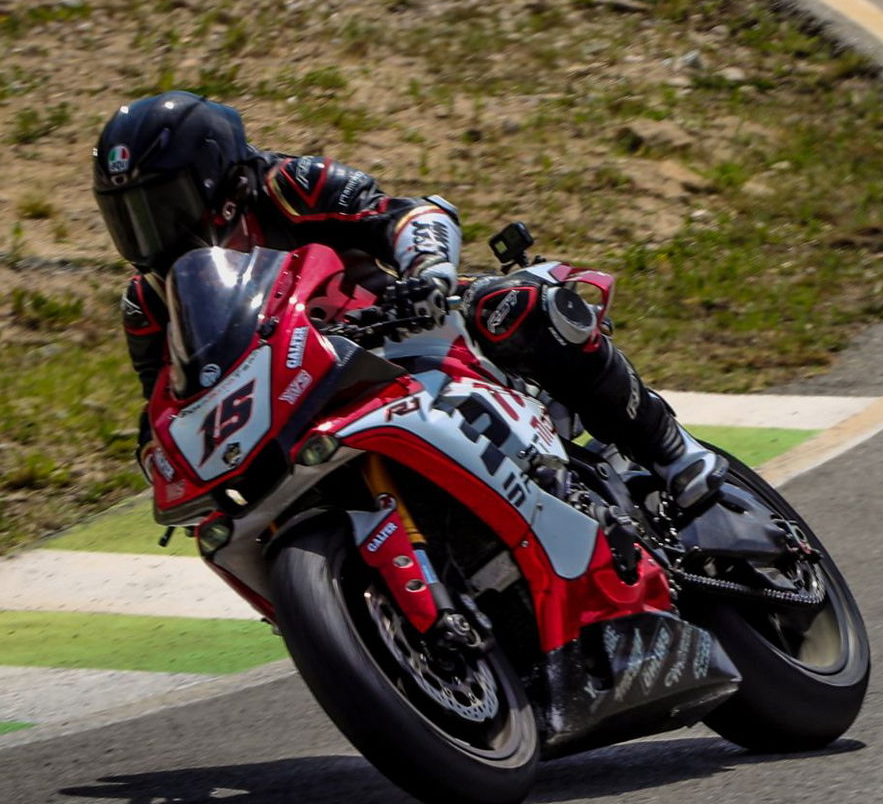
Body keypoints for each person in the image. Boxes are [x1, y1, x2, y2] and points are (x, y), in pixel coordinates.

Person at [91, 91, 726, 509]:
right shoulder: (148, 303)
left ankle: (673, 454)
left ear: (216, 184)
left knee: (520, 306)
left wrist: (426, 271)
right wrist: (160, 455)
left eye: (160, 208)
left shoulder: (285, 185)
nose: (151, 235)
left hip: (409, 340)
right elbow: (162, 406)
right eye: (130, 218)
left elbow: (403, 215)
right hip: (301, 411)